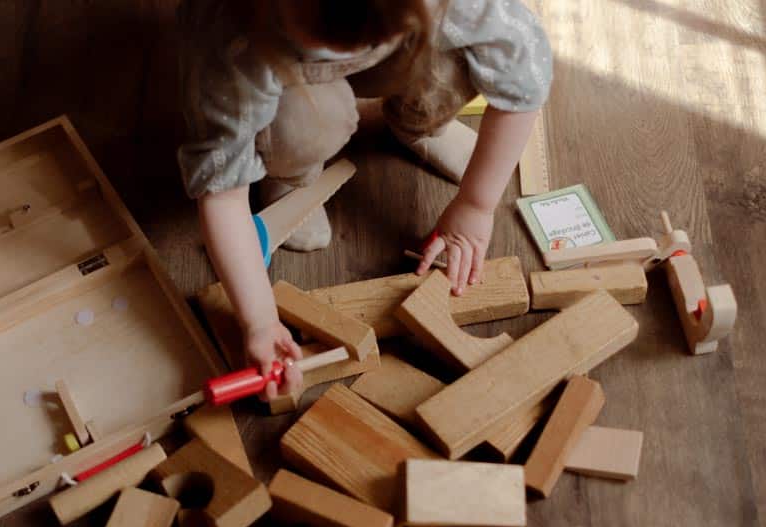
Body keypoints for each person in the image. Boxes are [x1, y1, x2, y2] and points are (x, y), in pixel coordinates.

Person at [177, 0, 553, 398]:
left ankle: (418, 123)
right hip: (283, 74)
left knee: (458, 57)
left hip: (404, 36)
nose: (347, 51)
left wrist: (476, 204)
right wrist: (259, 322)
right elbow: (222, 195)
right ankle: (290, 171)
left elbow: (523, 68)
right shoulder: (231, 39)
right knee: (306, 125)